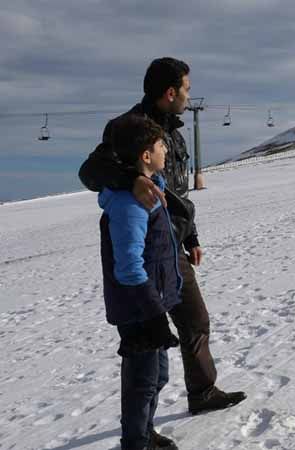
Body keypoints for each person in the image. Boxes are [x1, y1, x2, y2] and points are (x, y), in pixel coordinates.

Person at [80, 57, 246, 415]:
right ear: (170, 92)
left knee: (195, 319)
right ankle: (140, 431)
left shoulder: (173, 133)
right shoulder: (127, 129)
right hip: (142, 251)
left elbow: (177, 192)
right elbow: (90, 171)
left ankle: (202, 392)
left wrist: (192, 236)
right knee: (146, 344)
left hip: (172, 245)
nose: (190, 95)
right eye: (187, 88)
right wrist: (131, 179)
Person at [99, 115, 182, 450]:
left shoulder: (151, 189)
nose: (166, 150)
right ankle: (135, 442)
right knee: (142, 381)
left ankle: (144, 433)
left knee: (156, 377)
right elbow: (130, 267)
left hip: (149, 304)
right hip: (138, 310)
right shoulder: (132, 204)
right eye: (162, 145)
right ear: (146, 156)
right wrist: (154, 315)